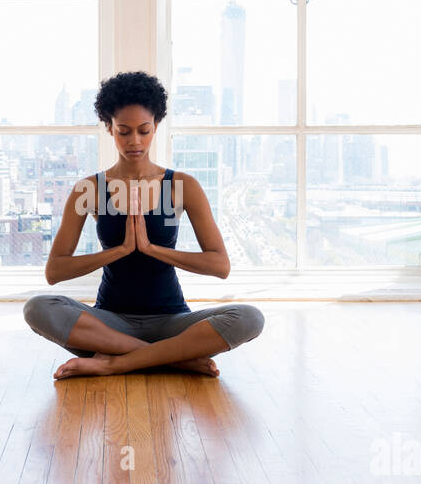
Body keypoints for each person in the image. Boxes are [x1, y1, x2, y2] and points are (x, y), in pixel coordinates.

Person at [22, 70, 265, 380]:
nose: (134, 141)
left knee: (249, 318)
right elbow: (55, 272)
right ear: (109, 128)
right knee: (38, 309)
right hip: (109, 323)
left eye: (143, 130)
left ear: (156, 127)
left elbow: (220, 266)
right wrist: (120, 250)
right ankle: (174, 358)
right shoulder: (90, 189)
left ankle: (118, 362)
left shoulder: (181, 185)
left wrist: (152, 249)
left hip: (173, 321)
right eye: (123, 131)